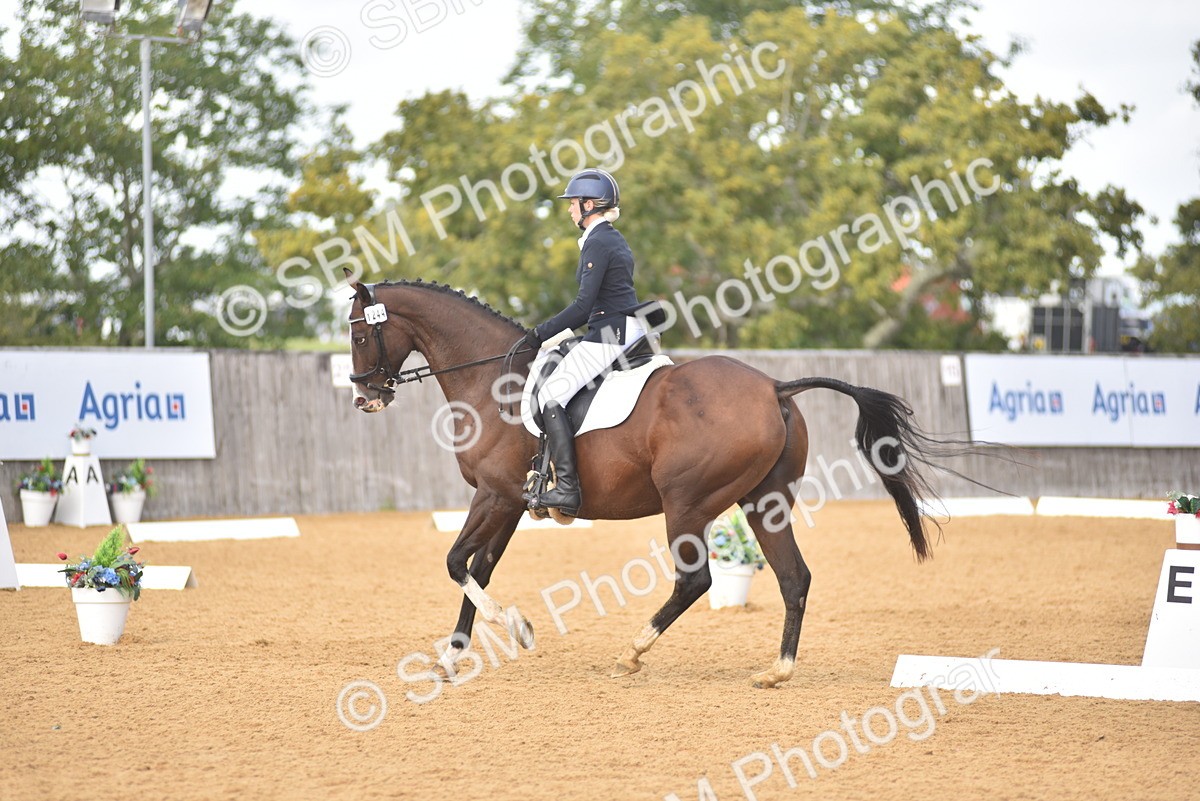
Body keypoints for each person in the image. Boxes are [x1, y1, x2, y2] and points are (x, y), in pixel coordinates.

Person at [522, 168, 647, 516]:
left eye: (573, 204)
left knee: (550, 396)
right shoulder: (611, 238)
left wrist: (538, 334)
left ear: (590, 205)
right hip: (620, 328)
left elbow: (583, 306)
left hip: (610, 335)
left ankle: (566, 488)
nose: (569, 210)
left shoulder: (599, 241)